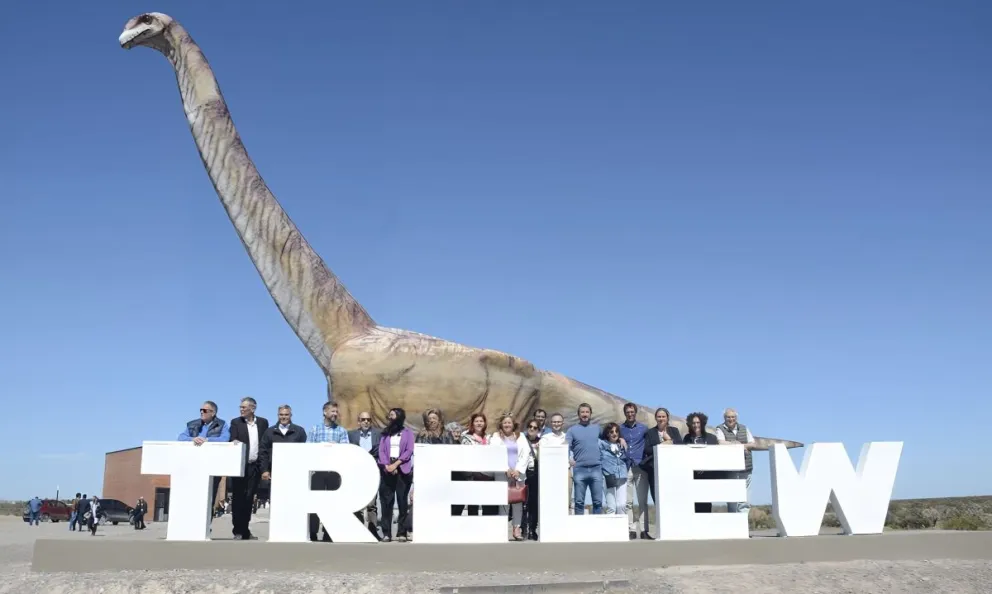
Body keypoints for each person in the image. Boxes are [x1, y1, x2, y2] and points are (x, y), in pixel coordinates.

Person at [307, 401, 350, 542]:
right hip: (318, 472)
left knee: (332, 504)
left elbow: (345, 450)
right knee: (315, 503)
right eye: (332, 411)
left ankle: (328, 532)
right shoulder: (314, 429)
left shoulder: (341, 431)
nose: (335, 414)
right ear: (325, 412)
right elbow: (309, 449)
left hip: (334, 473)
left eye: (336, 412)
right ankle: (313, 532)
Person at [229, 397, 269, 540]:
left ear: (253, 408)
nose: (241, 409)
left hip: (255, 467)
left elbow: (265, 444)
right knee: (238, 498)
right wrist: (234, 441)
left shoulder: (263, 423)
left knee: (249, 498)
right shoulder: (236, 422)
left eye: (244, 407)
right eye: (240, 407)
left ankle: (245, 530)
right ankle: (238, 531)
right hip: (240, 466)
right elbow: (232, 439)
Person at [177, 401, 230, 511]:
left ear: (213, 413)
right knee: (192, 499)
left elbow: (224, 439)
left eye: (205, 410)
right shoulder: (192, 424)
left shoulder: (222, 424)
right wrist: (193, 439)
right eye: (200, 410)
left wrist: (207, 440)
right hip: (193, 466)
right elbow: (181, 437)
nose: (202, 412)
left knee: (209, 500)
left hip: (212, 466)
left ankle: (207, 525)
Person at [639, 406, 682, 538]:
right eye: (659, 416)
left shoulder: (674, 431)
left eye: (663, 416)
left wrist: (670, 440)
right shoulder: (650, 432)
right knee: (658, 500)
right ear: (655, 418)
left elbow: (680, 446)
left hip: (672, 471)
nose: (661, 418)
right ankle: (662, 531)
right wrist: (666, 443)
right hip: (654, 471)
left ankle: (674, 530)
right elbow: (647, 449)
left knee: (672, 500)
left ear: (667, 418)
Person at [489, 413, 531, 541]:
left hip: (518, 474)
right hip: (503, 473)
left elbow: (526, 453)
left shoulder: (521, 436)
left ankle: (516, 528)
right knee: (503, 501)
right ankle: (502, 529)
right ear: (501, 424)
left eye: (509, 423)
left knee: (518, 502)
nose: (507, 425)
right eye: (505, 422)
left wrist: (518, 470)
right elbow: (494, 453)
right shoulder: (496, 437)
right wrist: (505, 468)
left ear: (513, 425)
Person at [377, 407, 415, 542]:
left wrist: (396, 464)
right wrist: (387, 465)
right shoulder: (385, 434)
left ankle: (402, 532)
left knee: (402, 501)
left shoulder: (408, 433)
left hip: (402, 469)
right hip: (387, 468)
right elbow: (381, 450)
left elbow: (409, 450)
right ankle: (386, 532)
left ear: (399, 417)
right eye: (390, 415)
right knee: (386, 501)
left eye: (393, 415)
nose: (390, 417)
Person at [715, 407, 757, 513]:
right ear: (724, 418)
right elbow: (720, 442)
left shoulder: (744, 428)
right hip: (731, 468)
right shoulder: (720, 429)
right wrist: (737, 444)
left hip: (746, 467)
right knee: (732, 497)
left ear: (736, 417)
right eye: (728, 417)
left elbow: (753, 443)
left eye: (733, 417)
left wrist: (740, 445)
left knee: (745, 499)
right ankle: (733, 524)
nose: (731, 419)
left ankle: (743, 523)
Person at [348, 410, 382, 538]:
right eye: (363, 419)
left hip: (373, 472)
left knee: (372, 504)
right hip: (357, 473)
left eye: (368, 419)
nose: (366, 422)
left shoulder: (378, 434)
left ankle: (372, 531)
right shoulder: (351, 435)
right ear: (359, 421)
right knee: (357, 502)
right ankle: (358, 531)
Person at [566, 403, 604, 515]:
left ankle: (597, 529)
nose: (585, 414)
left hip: (596, 468)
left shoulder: (597, 428)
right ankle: (579, 530)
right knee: (579, 502)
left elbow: (610, 437)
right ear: (578, 414)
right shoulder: (572, 430)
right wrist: (568, 458)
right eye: (582, 412)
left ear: (590, 414)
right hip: (579, 469)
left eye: (587, 412)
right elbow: (565, 446)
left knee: (597, 502)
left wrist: (620, 438)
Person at [619, 402, 649, 540]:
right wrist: (619, 437)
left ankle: (643, 529)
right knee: (628, 502)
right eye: (627, 412)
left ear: (635, 413)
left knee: (642, 500)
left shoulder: (643, 429)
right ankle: (630, 529)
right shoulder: (620, 429)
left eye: (632, 412)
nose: (630, 414)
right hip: (626, 467)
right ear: (625, 413)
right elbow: (606, 436)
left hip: (640, 467)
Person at [683, 411, 720, 513]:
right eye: (693, 423)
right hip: (692, 477)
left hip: (707, 477)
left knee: (706, 504)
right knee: (693, 505)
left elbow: (715, 457)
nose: (696, 425)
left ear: (702, 423)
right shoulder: (687, 438)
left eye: (698, 423)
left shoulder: (711, 438)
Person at [600, 422, 630, 516]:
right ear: (607, 433)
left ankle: (622, 529)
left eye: (616, 431)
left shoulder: (622, 444)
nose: (614, 433)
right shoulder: (601, 443)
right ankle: (611, 529)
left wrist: (622, 440)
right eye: (611, 431)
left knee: (621, 505)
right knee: (611, 506)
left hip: (622, 476)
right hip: (609, 476)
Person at [522, 418, 542, 540]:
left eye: (535, 427)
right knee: (523, 502)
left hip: (535, 474)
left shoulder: (542, 442)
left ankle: (532, 529)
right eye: (530, 426)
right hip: (523, 474)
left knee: (534, 503)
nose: (532, 429)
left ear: (538, 430)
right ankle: (523, 528)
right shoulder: (521, 440)